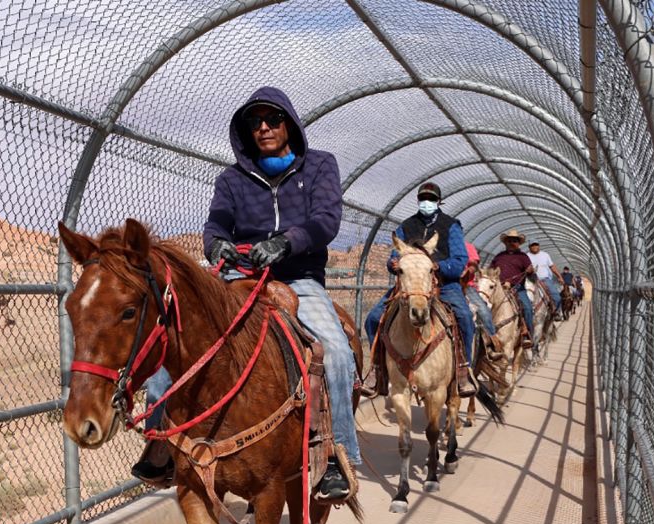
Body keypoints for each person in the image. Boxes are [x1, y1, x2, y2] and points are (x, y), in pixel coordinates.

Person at [134, 86, 359, 501]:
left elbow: (326, 220)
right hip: (239, 276)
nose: (264, 128)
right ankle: (162, 442)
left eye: (272, 119)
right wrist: (216, 245)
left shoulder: (321, 166)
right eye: (254, 122)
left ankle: (336, 455)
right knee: (177, 341)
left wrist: (286, 243)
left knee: (337, 351)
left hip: (298, 278)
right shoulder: (232, 180)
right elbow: (215, 226)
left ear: (288, 123)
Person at [363, 181, 476, 397]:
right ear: (418, 200)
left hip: (443, 285)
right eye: (424, 199)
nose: (427, 202)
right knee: (374, 318)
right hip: (410, 285)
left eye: (432, 199)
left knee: (464, 317)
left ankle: (463, 369)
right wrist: (393, 264)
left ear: (438, 201)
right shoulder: (405, 226)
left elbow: (460, 260)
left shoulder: (451, 225)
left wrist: (438, 266)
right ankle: (377, 371)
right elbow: (394, 256)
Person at [487, 229, 535, 345]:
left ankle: (527, 334)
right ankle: (486, 334)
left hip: (517, 288)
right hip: (499, 288)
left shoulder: (523, 257)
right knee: (484, 306)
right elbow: (490, 271)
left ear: (518, 243)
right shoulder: (499, 256)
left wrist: (530, 271)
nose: (512, 243)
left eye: (515, 241)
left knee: (527, 308)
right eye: (509, 240)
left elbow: (531, 274)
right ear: (505, 242)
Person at [462, 241, 497, 341]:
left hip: (467, 286)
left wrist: (469, 270)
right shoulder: (441, 245)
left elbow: (475, 263)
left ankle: (492, 340)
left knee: (483, 310)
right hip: (447, 285)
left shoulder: (468, 246)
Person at [526, 240, 565, 311]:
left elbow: (552, 267)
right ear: (529, 247)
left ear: (539, 246)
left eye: (536, 244)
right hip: (531, 280)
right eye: (532, 245)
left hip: (545, 280)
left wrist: (560, 277)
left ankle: (556, 312)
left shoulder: (545, 255)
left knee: (557, 297)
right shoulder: (526, 256)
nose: (535, 246)